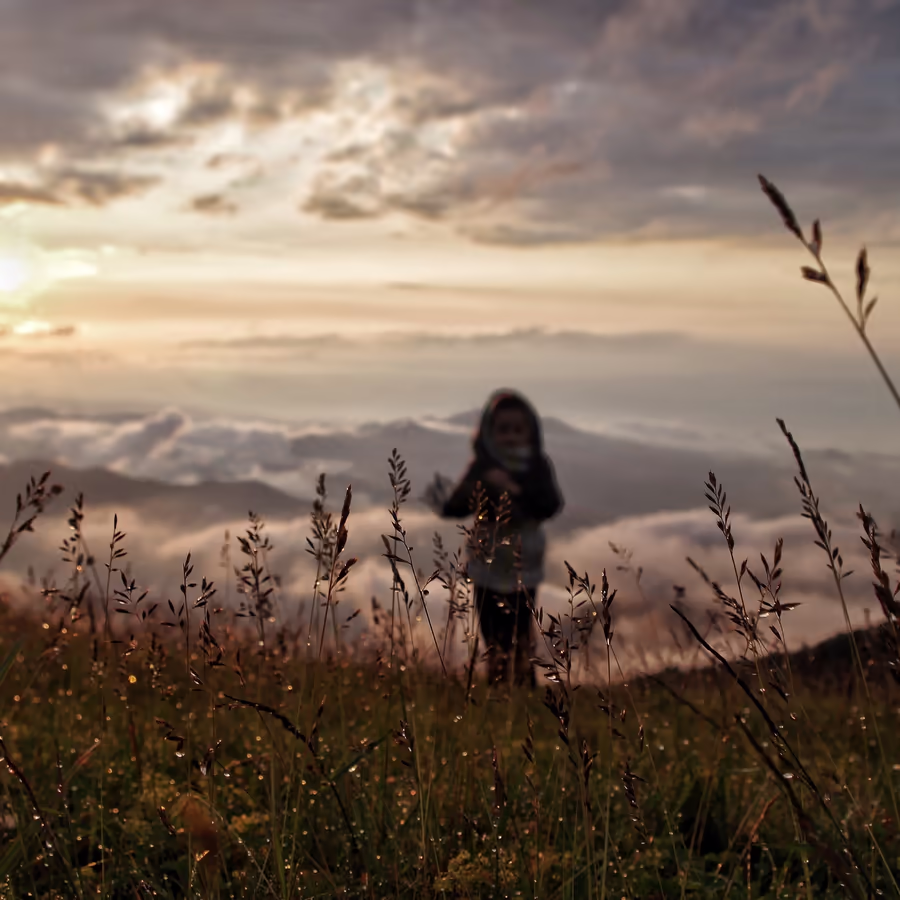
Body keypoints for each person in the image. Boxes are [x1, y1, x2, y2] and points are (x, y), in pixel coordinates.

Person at [424, 389, 564, 687]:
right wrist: (448, 498)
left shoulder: (537, 466)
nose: (511, 436)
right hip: (486, 563)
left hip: (524, 563)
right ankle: (498, 686)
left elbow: (550, 505)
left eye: (518, 429)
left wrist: (514, 490)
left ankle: (524, 687)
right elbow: (457, 507)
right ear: (489, 431)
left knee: (521, 628)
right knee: (491, 629)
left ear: (531, 432)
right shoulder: (482, 467)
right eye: (503, 430)